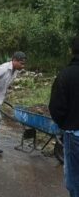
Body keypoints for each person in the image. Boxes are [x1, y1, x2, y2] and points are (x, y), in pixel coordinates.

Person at [49, 36, 79, 197]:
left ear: (71, 51)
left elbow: (56, 107)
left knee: (74, 180)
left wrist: (65, 124)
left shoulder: (66, 75)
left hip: (74, 135)